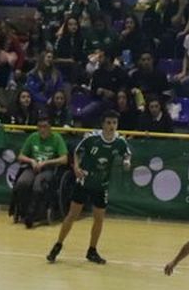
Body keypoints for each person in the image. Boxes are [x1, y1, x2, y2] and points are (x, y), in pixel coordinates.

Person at [47, 109, 130, 264]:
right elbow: (77, 152)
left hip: (101, 185)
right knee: (72, 215)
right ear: (103, 124)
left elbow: (127, 153)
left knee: (99, 219)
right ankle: (58, 245)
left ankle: (92, 250)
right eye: (109, 123)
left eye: (114, 123)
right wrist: (76, 169)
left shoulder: (120, 141)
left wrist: (127, 161)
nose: (112, 126)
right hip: (85, 182)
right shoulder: (92, 138)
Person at [11, 111, 67, 228]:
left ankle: (33, 214)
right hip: (33, 167)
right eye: (40, 127)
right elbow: (20, 156)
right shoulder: (33, 137)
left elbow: (64, 159)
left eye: (45, 127)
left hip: (48, 169)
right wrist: (31, 161)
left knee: (38, 185)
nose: (42, 130)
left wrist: (47, 162)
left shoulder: (57, 138)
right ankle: (23, 210)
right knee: (22, 183)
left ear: (50, 127)